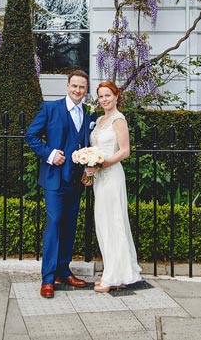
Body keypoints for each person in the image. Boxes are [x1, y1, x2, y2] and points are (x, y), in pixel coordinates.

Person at [24, 69, 92, 298]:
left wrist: (86, 169)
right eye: (74, 86)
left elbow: (83, 144)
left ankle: (64, 270)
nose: (77, 90)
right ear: (67, 86)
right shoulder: (50, 109)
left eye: (82, 87)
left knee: (70, 225)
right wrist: (50, 154)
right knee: (54, 223)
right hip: (55, 179)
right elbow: (31, 136)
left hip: (75, 179)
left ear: (86, 90)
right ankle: (48, 278)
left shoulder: (87, 113)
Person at [84, 80, 142, 292]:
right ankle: (111, 271)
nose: (104, 100)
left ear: (117, 96)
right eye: (101, 96)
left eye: (108, 95)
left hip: (112, 176)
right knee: (103, 224)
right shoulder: (99, 120)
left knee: (114, 222)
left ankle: (114, 277)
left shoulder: (119, 120)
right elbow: (95, 149)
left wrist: (102, 165)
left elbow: (124, 151)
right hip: (99, 178)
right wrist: (89, 166)